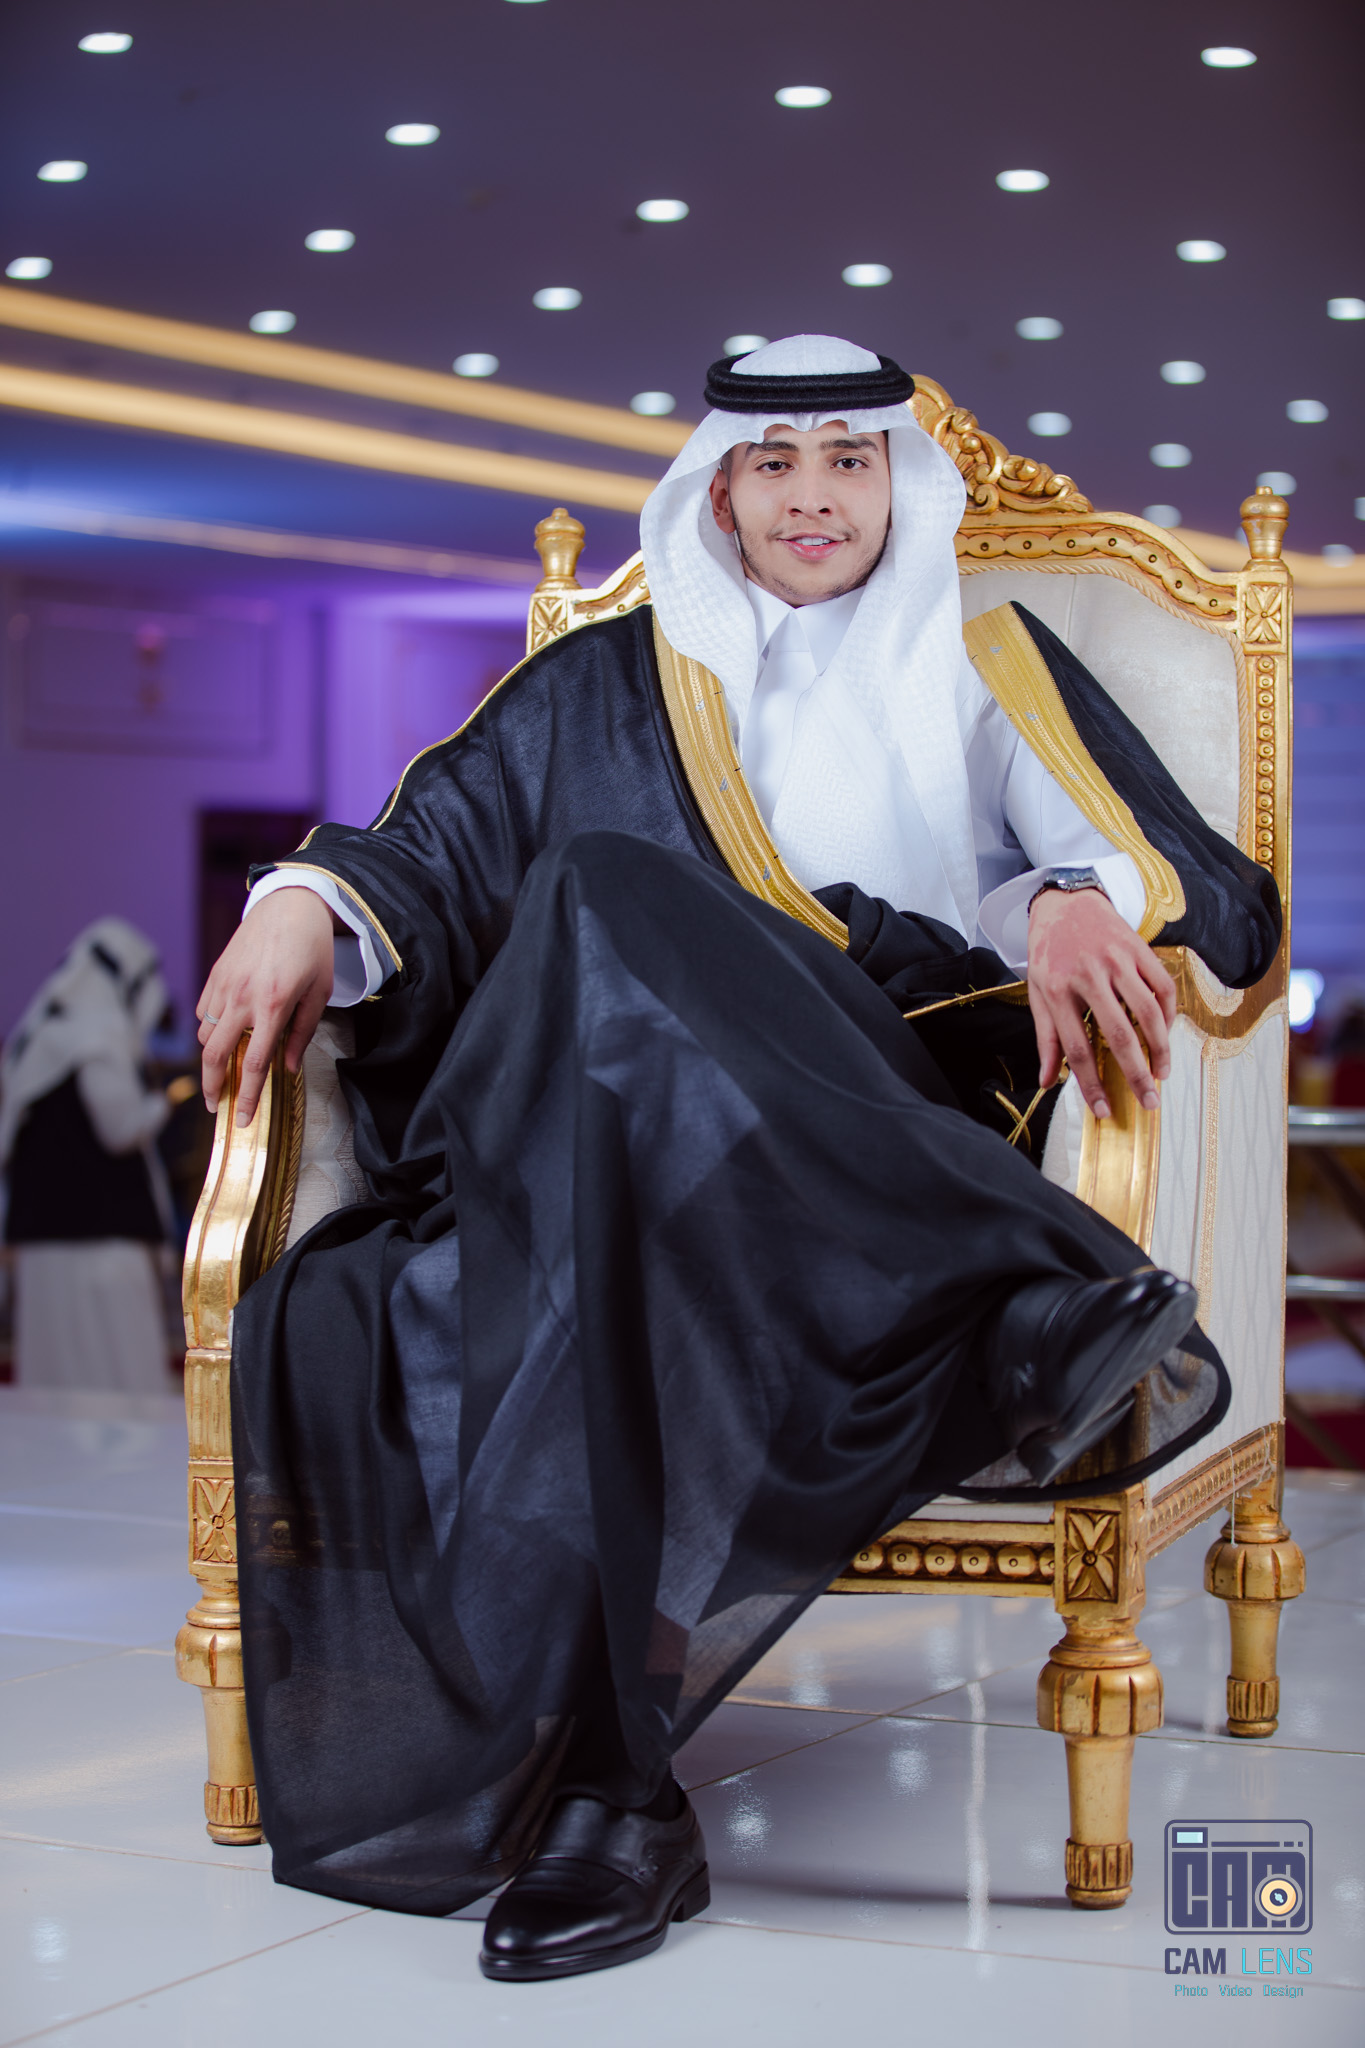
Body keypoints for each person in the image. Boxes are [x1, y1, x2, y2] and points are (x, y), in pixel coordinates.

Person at [199, 338, 1279, 1980]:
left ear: (895, 482)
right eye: (775, 463)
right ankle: (1000, 1296)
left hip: (853, 1115)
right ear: (718, 488)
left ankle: (616, 1800)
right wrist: (300, 900)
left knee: (613, 929)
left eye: (848, 458)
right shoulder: (599, 681)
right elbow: (427, 849)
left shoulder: (985, 661)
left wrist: (1070, 893)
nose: (812, 496)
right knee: (602, 909)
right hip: (607, 1145)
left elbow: (1202, 887)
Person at [2, 918, 184, 1393]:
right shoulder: (97, 1035)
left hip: (44, 1247)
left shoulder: (39, 1039)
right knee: (119, 1386)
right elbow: (120, 1129)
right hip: (102, 1250)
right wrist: (163, 1103)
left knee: (57, 1390)